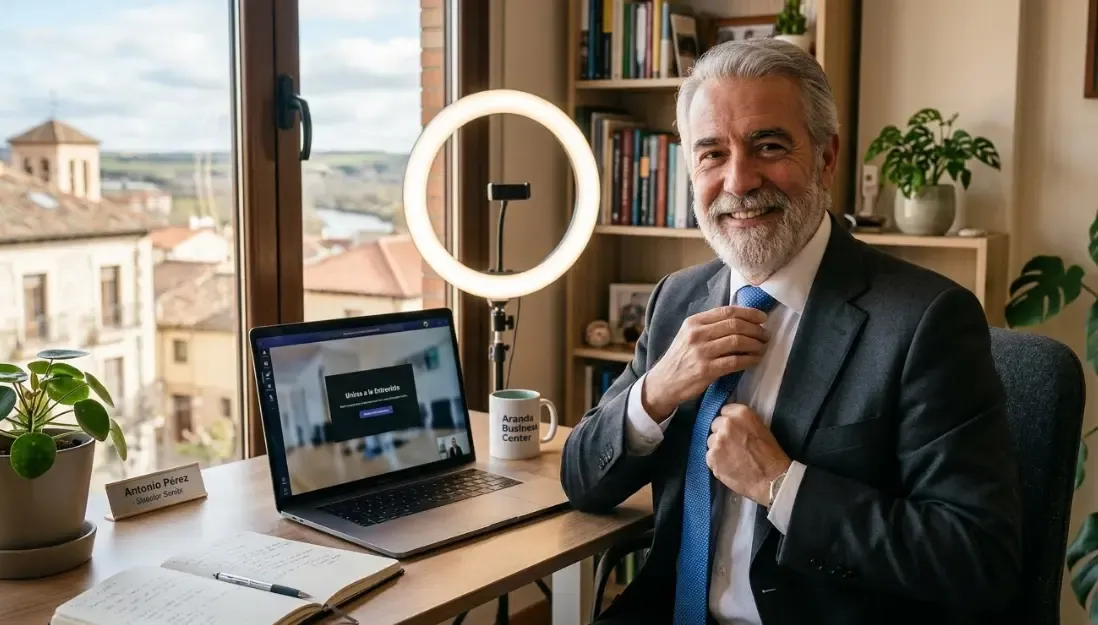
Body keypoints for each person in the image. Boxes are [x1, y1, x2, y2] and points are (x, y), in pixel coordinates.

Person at [560, 38, 1021, 625]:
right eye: (711, 154)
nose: (739, 181)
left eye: (769, 145)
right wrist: (654, 392)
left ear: (826, 158)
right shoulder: (676, 298)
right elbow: (581, 480)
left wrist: (782, 485)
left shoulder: (925, 320)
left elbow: (977, 557)